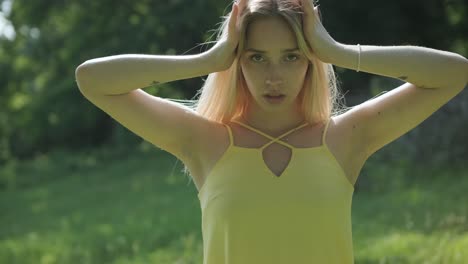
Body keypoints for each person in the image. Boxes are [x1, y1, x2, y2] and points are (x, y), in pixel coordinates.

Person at [75, 0, 468, 263]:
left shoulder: (344, 139)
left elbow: (453, 72)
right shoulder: (205, 141)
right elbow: (93, 79)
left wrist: (337, 52)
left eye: (291, 57)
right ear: (238, 61)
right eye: (257, 57)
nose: (273, 76)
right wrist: (210, 59)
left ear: (310, 62)